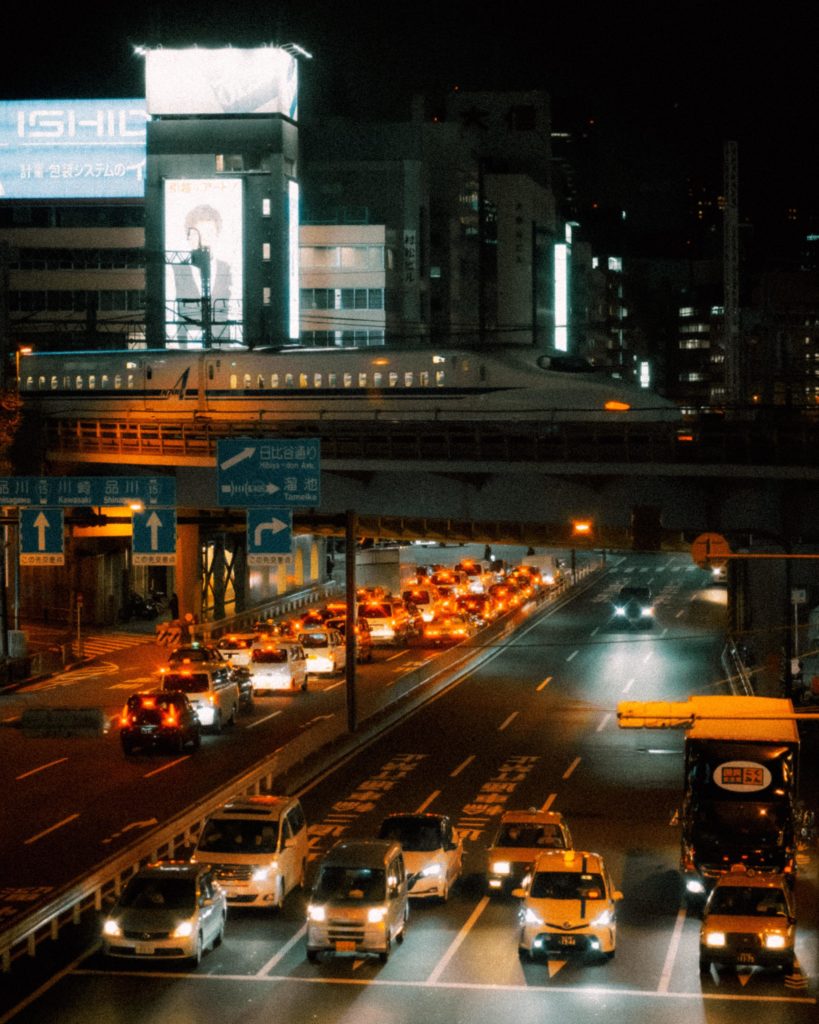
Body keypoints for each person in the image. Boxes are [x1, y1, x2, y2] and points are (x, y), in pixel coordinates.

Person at [170, 204, 232, 340]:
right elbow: (169, 314)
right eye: (199, 233)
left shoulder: (228, 269)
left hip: (224, 346)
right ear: (189, 237)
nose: (204, 240)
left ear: (217, 235)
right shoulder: (173, 270)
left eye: (209, 233)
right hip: (184, 348)